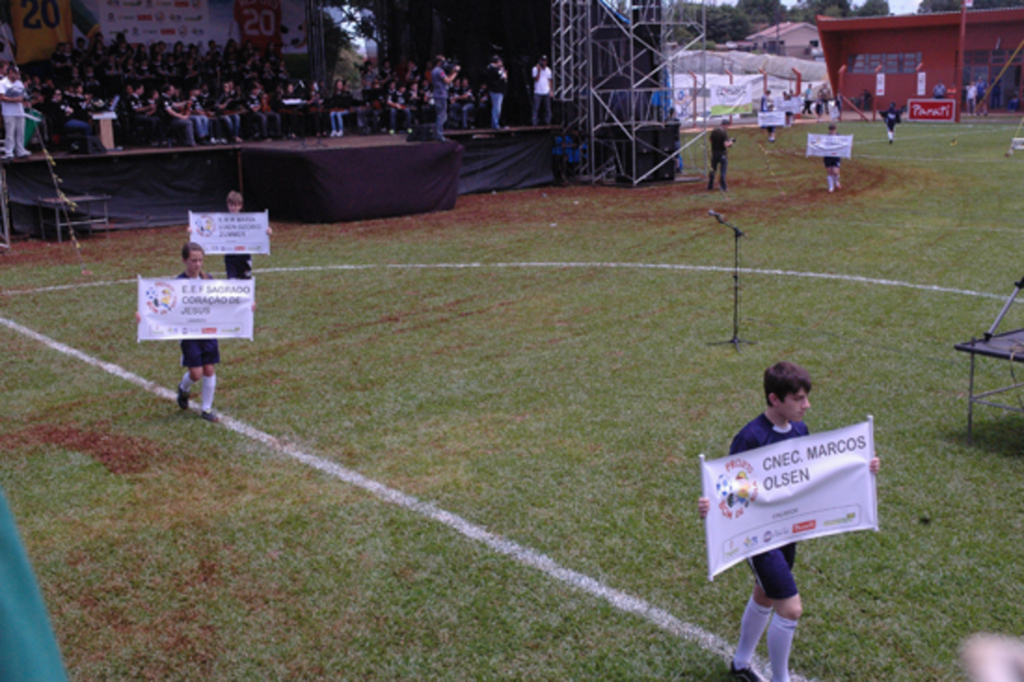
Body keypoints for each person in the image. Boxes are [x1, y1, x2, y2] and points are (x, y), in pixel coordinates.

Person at [698, 362, 880, 682]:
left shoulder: (800, 431)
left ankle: (740, 663)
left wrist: (861, 467)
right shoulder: (750, 438)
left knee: (765, 595)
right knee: (790, 608)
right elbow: (729, 488)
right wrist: (710, 504)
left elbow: (814, 475)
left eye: (806, 397)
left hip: (788, 531)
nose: (806, 405)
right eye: (798, 398)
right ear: (774, 399)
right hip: (759, 539)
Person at [0, 66, 31, 159]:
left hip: (19, 111)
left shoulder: (19, 83)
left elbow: (22, 95)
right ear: (10, 72)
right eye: (15, 73)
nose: (17, 75)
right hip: (9, 112)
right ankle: (9, 152)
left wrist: (25, 102)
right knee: (10, 133)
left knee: (20, 132)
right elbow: (1, 97)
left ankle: (20, 150)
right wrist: (14, 99)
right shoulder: (3, 83)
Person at [430, 55, 460, 141]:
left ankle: (437, 133)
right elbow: (448, 81)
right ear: (439, 62)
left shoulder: (434, 71)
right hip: (441, 95)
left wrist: (452, 71)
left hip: (438, 94)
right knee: (441, 116)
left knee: (443, 115)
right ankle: (439, 135)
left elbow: (446, 78)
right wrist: (456, 72)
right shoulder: (439, 71)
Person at [708, 118, 733, 192]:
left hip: (714, 153)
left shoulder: (714, 131)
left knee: (713, 170)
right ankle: (723, 186)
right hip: (722, 154)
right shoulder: (724, 133)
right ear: (725, 125)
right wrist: (730, 143)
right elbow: (725, 145)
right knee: (723, 171)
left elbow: (710, 140)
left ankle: (710, 185)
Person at [485, 54, 507, 129]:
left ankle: (496, 123)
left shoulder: (489, 68)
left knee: (496, 107)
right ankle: (495, 124)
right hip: (496, 90)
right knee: (497, 108)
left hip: (493, 90)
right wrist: (502, 70)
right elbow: (503, 76)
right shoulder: (494, 69)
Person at [531, 55, 552, 126]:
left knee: (547, 108)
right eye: (542, 60)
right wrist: (539, 70)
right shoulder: (535, 69)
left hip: (546, 90)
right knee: (536, 108)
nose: (544, 62)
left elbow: (549, 80)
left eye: (545, 61)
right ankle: (534, 122)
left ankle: (547, 122)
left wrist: (551, 90)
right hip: (538, 91)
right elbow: (536, 79)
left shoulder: (548, 70)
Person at [824, 122, 842, 193]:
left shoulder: (839, 137)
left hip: (836, 156)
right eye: (831, 129)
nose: (832, 131)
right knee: (829, 171)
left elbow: (844, 143)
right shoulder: (826, 137)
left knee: (836, 172)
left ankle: (836, 181)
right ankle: (831, 187)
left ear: (835, 129)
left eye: (833, 129)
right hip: (828, 156)